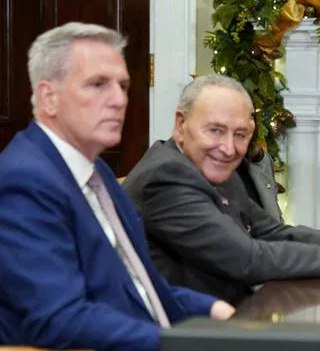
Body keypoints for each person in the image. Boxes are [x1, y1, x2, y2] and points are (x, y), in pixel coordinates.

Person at [0, 22, 234, 351]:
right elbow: (60, 319)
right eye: (98, 84)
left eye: (123, 86)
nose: (119, 100)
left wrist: (211, 308)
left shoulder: (97, 172)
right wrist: (181, 343)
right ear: (48, 97)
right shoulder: (24, 181)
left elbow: (138, 285)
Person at [122, 75, 320, 303]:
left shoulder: (209, 165)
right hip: (189, 333)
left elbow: (271, 231)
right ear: (181, 125)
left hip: (231, 317)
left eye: (240, 135)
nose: (229, 148)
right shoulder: (166, 176)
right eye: (215, 130)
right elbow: (246, 259)